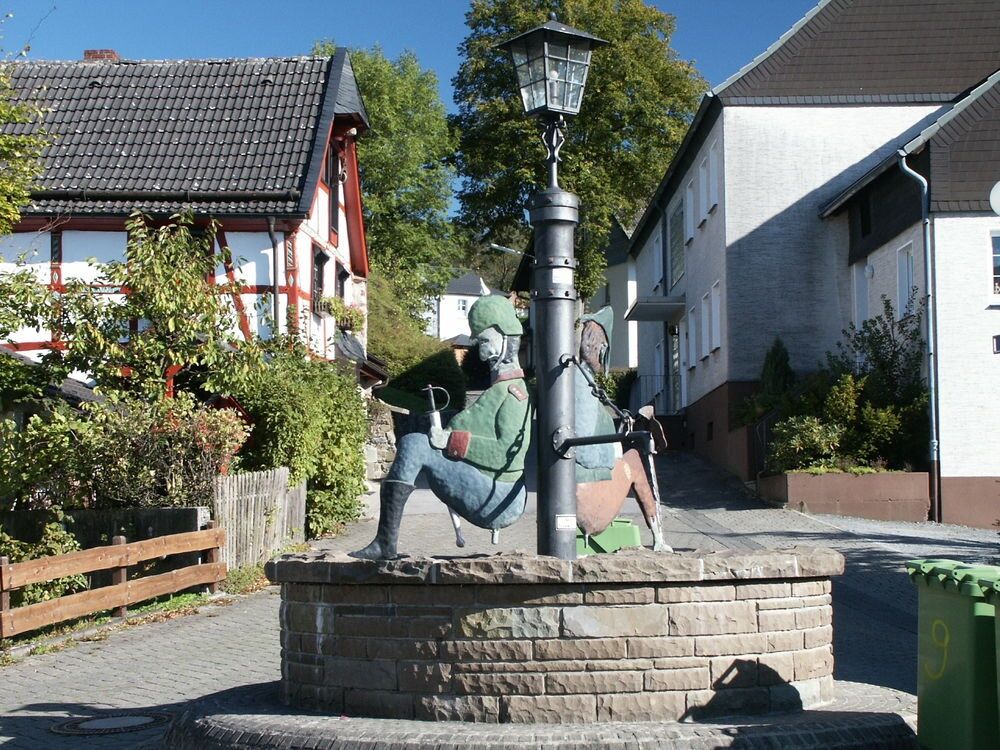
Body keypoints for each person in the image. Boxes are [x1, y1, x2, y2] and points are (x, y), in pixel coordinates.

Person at [350, 295, 532, 560]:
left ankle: (385, 543)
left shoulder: (514, 394)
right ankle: (384, 543)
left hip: (499, 496)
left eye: (484, 341)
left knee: (414, 445)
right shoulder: (500, 390)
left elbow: (507, 452)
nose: (480, 351)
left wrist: (450, 441)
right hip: (489, 487)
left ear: (505, 337)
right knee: (415, 444)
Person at [574, 307, 670, 552]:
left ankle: (659, 536)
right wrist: (612, 455)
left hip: (576, 490)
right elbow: (583, 451)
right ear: (601, 349)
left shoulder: (575, 379)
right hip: (586, 501)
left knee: (628, 458)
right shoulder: (581, 384)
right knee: (635, 461)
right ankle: (659, 538)